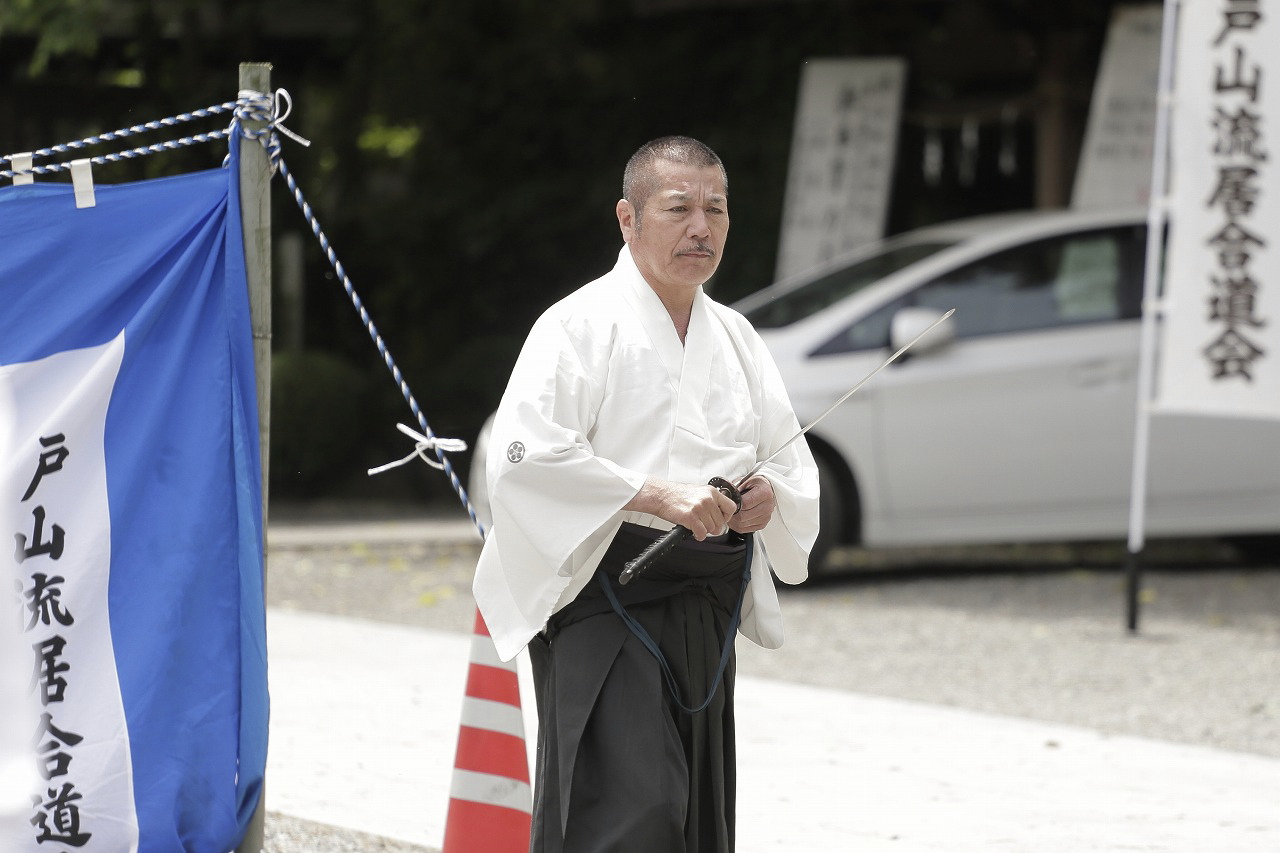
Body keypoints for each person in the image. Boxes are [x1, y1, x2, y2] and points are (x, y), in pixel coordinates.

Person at [473, 136, 820, 853]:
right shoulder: (576, 325)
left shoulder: (737, 336)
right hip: (606, 593)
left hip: (706, 597)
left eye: (715, 209)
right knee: (631, 812)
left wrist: (766, 498)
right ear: (627, 219)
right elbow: (524, 461)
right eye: (678, 208)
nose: (701, 227)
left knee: (696, 817)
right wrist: (654, 494)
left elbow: (788, 462)